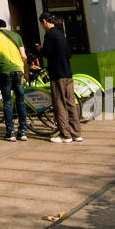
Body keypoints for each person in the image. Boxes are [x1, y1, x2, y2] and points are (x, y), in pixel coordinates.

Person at [40, 12, 83, 143]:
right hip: (67, 73)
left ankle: (65, 135)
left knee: (59, 103)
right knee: (71, 103)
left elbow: (46, 53)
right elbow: (68, 53)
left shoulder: (49, 35)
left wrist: (39, 49)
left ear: (44, 22)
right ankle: (76, 133)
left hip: (57, 74)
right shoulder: (60, 34)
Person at [0, 19, 29, 142]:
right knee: (20, 100)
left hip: (5, 71)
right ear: (5, 26)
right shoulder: (16, 36)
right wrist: (24, 71)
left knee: (7, 102)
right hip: (19, 71)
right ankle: (23, 131)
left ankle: (10, 132)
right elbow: (24, 56)